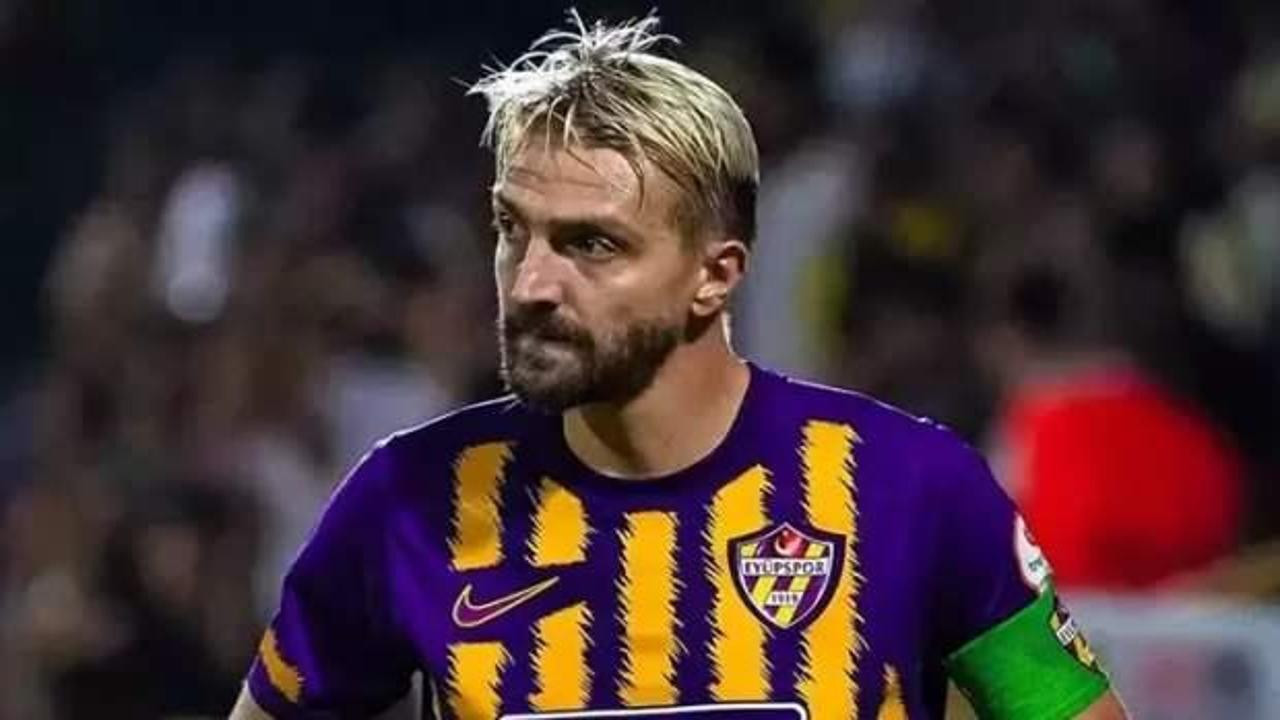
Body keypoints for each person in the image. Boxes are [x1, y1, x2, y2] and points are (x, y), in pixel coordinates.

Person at [231, 13, 1127, 720]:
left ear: (715, 275)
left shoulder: (911, 486)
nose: (531, 283)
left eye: (592, 244)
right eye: (513, 231)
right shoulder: (407, 499)